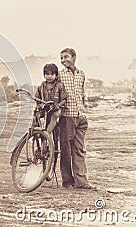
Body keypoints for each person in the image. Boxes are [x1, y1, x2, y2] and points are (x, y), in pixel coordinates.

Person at [58, 48, 96, 190]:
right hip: (66, 117)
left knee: (79, 149)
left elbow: (82, 94)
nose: (63, 60)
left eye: (66, 57)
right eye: (61, 58)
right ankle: (67, 181)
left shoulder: (81, 74)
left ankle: (81, 182)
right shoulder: (60, 75)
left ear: (74, 57)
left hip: (80, 116)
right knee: (66, 150)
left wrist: (85, 110)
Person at [35, 63, 67, 136]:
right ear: (44, 75)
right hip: (45, 107)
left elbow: (64, 99)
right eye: (47, 74)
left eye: (52, 74)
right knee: (36, 115)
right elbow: (37, 97)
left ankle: (47, 134)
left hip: (56, 108)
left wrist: (58, 105)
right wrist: (39, 104)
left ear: (56, 75)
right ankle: (37, 132)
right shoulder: (42, 85)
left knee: (54, 116)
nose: (49, 76)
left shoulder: (59, 85)